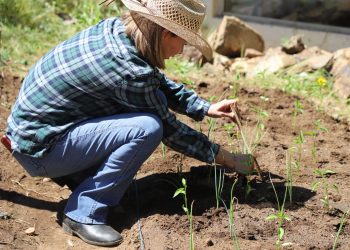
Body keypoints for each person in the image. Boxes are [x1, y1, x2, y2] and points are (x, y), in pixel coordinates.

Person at [4, 0, 255, 247]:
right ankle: (83, 213)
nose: (180, 51)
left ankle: (81, 175)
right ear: (166, 34)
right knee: (148, 128)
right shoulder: (131, 72)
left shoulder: (116, 30)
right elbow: (171, 130)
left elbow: (155, 81)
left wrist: (204, 107)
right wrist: (228, 159)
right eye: (183, 42)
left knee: (140, 110)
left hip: (32, 133)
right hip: (41, 150)